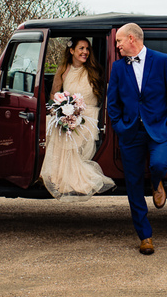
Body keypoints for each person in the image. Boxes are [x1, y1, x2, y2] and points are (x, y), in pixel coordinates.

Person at [107, 23, 167, 255]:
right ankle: (145, 235)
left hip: (159, 130)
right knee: (132, 184)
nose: (117, 45)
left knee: (159, 164)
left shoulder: (163, 60)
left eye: (119, 41)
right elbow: (113, 103)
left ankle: (156, 182)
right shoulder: (118, 67)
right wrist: (120, 126)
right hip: (130, 132)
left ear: (132, 39)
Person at [40, 37, 115, 201]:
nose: (85, 52)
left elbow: (107, 94)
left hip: (90, 116)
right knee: (51, 125)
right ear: (72, 50)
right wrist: (59, 110)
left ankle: (71, 178)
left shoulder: (95, 70)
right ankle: (57, 176)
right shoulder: (63, 69)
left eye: (87, 49)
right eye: (81, 48)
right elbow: (54, 94)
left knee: (74, 134)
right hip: (69, 115)